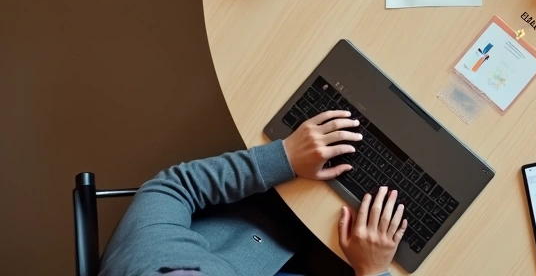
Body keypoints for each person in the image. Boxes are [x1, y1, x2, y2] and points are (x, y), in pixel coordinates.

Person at [101, 111, 407, 276]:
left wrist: (283, 157)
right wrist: (373, 270)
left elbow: (172, 188)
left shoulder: (142, 264)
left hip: (273, 212)